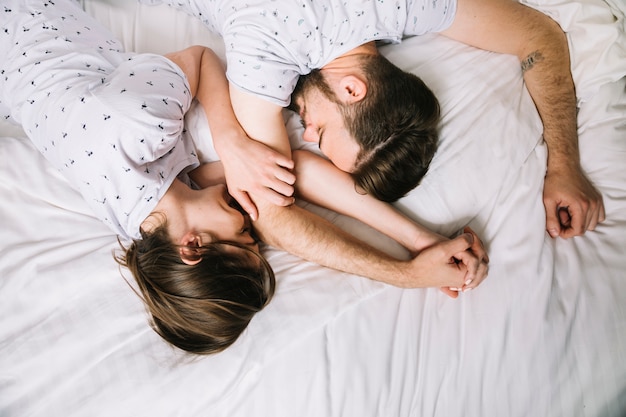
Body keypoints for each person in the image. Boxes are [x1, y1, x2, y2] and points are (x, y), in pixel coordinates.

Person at [0, 0, 488, 355]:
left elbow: (199, 59)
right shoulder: (142, 217)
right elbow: (291, 172)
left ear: (192, 246)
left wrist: (231, 139)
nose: (253, 222)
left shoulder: (137, 129)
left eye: (244, 238)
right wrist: (420, 241)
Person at [146, 0, 605, 240]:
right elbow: (272, 209)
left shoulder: (404, 5)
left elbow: (537, 35)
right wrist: (412, 262)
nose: (304, 134)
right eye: (322, 132)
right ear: (352, 90)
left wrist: (564, 165)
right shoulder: (265, 52)